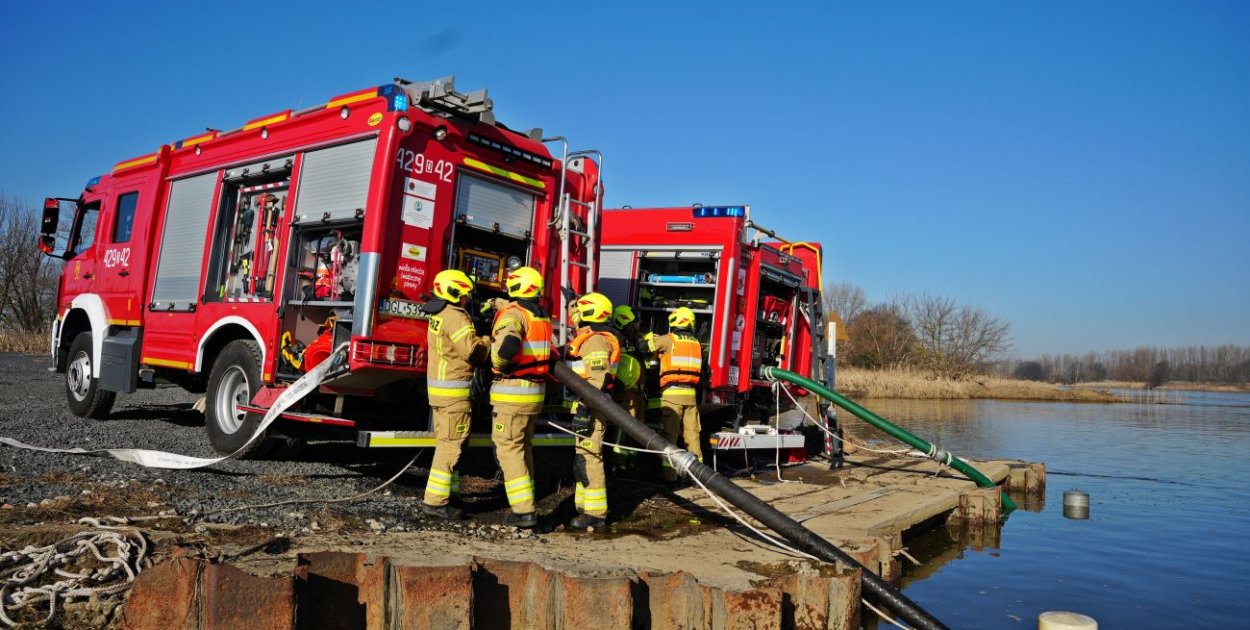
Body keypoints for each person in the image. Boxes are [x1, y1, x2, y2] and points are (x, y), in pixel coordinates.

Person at [417, 269, 489, 519]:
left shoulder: (437, 314)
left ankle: (448, 494)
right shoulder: (456, 316)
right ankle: (435, 503)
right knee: (450, 448)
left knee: (445, 444)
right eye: (466, 295)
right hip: (454, 395)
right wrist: (488, 341)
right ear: (455, 293)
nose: (468, 300)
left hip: (440, 393)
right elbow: (473, 353)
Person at [489, 266, 552, 528]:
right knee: (523, 447)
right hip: (533, 393)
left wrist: (497, 363)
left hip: (512, 393)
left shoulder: (514, 314)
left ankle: (524, 510)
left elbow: (510, 345)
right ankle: (528, 498)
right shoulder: (541, 316)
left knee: (508, 449)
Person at [565, 292, 620, 528]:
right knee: (582, 460)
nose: (576, 314)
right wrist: (571, 301)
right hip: (587, 405)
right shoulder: (590, 336)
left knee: (590, 459)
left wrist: (585, 411)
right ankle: (583, 507)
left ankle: (596, 514)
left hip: (592, 408)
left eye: (580, 309)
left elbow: (596, 381)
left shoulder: (596, 340)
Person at [645, 306, 704, 483]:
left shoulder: (669, 340)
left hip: (672, 396)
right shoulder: (696, 343)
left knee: (669, 437)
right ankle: (697, 477)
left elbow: (644, 347)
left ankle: (669, 477)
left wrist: (649, 338)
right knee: (692, 436)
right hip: (691, 395)